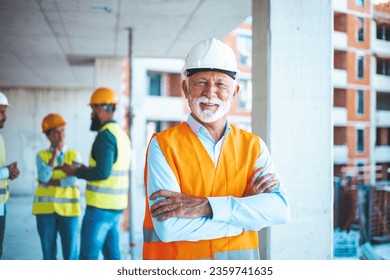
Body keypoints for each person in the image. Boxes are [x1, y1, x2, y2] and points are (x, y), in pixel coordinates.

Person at [143, 38, 290, 260]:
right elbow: (169, 228)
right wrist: (246, 219)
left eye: (221, 84)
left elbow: (280, 210)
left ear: (235, 91)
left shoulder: (253, 147)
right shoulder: (163, 145)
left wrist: (206, 207)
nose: (210, 93)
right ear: (185, 87)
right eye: (200, 82)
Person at [60, 87, 131, 260]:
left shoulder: (105, 136)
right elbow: (109, 168)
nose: (91, 114)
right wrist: (83, 168)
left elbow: (102, 172)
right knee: (113, 257)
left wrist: (76, 171)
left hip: (100, 209)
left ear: (100, 109)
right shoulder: (121, 134)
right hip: (115, 207)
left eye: (92, 109)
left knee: (87, 258)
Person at [32, 113, 81, 260]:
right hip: (45, 212)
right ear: (48, 136)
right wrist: (54, 156)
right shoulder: (41, 156)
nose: (61, 135)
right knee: (48, 255)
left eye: (63, 130)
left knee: (71, 255)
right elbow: (43, 177)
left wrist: (51, 183)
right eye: (56, 132)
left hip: (69, 212)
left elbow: (74, 180)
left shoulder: (74, 155)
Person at [0, 91, 20, 259]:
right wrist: (6, 171)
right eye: (1, 111)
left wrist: (8, 172)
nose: (5, 116)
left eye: (5, 111)